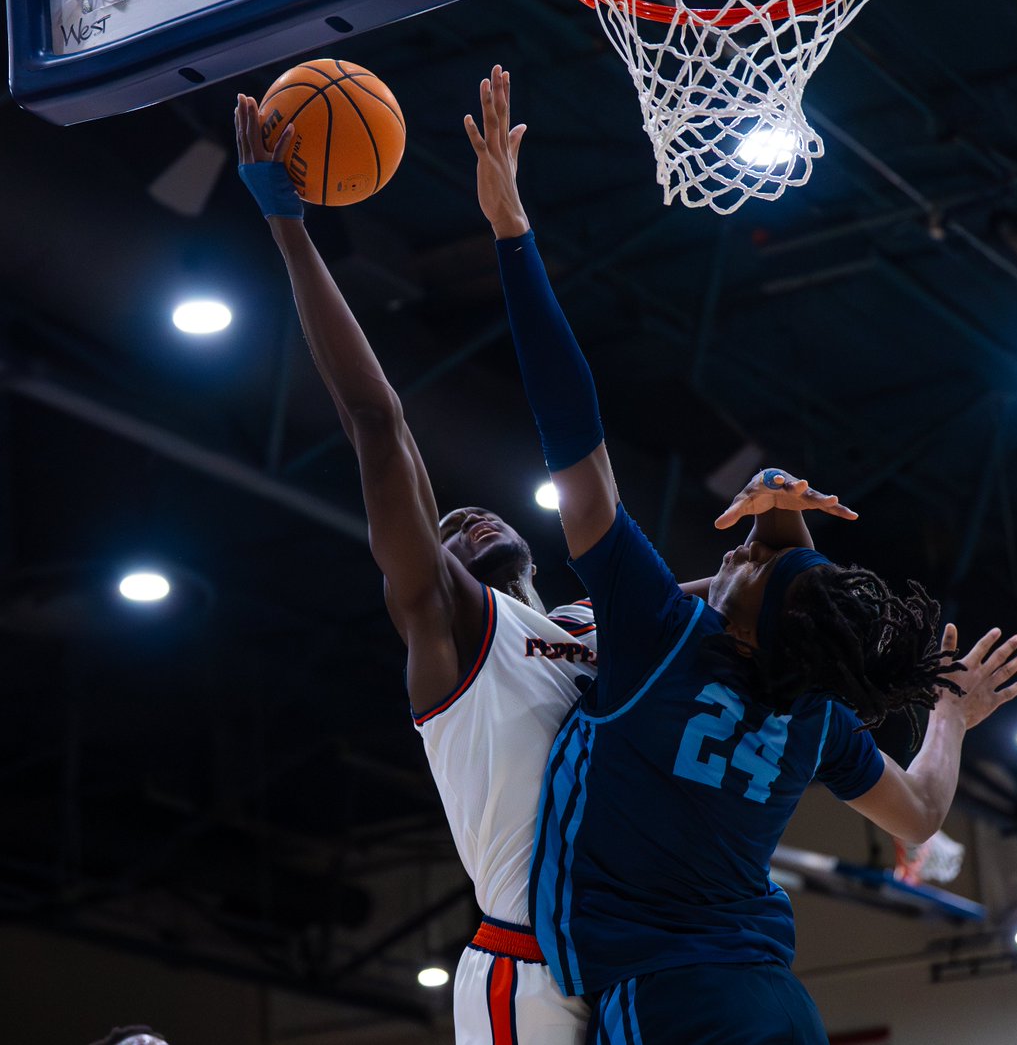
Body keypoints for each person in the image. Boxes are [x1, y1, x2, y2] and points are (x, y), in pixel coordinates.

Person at [232, 95, 854, 1044]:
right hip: (524, 967)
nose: (466, 516)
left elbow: (758, 600)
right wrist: (290, 229)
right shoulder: (454, 630)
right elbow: (377, 419)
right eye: (445, 530)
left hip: (636, 956)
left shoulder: (604, 625)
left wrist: (781, 506)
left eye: (471, 510)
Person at [466, 64, 1017, 1044]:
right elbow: (920, 812)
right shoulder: (813, 712)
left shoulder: (663, 639)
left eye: (751, 562)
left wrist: (513, 236)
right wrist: (947, 717)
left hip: (674, 1001)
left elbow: (573, 424)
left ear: (742, 607)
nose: (739, 551)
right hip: (771, 1000)